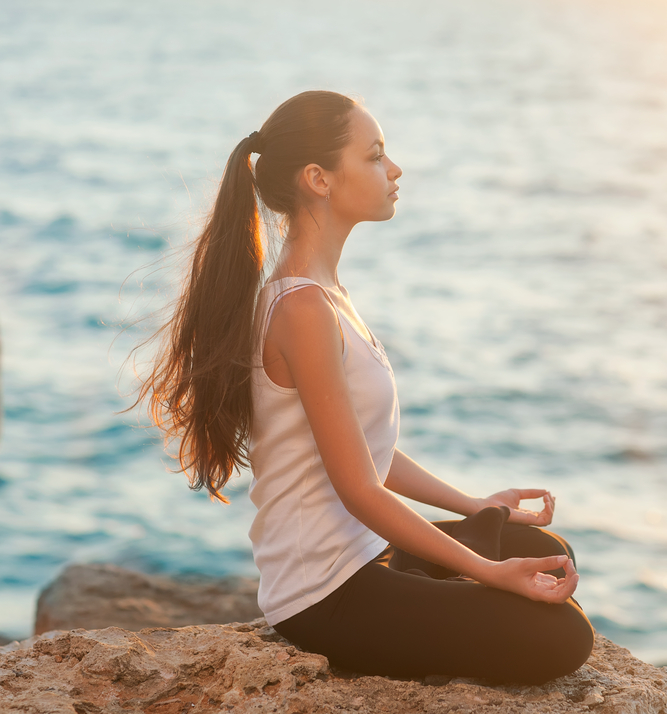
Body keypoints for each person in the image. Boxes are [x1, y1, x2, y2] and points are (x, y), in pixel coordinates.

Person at [134, 90, 594, 683]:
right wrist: (484, 570)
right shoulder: (301, 308)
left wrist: (475, 505)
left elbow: (365, 448)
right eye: (375, 155)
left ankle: (450, 579)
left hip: (369, 555)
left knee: (549, 554)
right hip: (325, 595)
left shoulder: (327, 295)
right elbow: (359, 488)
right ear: (318, 179)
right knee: (562, 637)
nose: (394, 169)